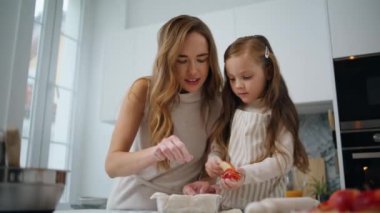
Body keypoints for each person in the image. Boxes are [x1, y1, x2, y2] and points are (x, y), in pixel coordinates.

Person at [105, 15, 223, 210]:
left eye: (201, 59)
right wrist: (155, 152)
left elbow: (209, 166)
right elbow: (112, 165)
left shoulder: (216, 102)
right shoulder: (143, 90)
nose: (193, 71)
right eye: (182, 60)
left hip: (180, 207)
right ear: (167, 60)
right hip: (132, 205)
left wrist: (206, 182)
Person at [203, 35, 310, 210]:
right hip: (228, 206)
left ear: (268, 72)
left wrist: (245, 175)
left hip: (265, 207)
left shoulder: (276, 113)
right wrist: (213, 160)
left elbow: (283, 161)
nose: (238, 85)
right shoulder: (230, 110)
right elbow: (218, 148)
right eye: (232, 78)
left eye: (246, 77)